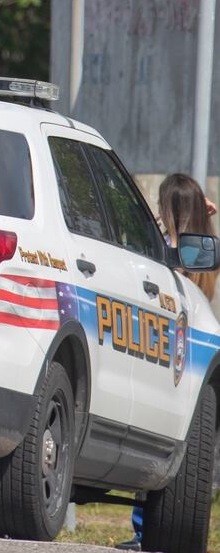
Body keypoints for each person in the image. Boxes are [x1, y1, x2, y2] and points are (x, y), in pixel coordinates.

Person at [116, 172, 217, 551]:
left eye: (161, 205)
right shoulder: (203, 249)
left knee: (156, 445)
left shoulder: (168, 253)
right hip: (192, 358)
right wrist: (199, 209)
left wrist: (159, 224)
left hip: (166, 353)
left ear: (168, 210)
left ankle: (144, 533)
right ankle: (153, 532)